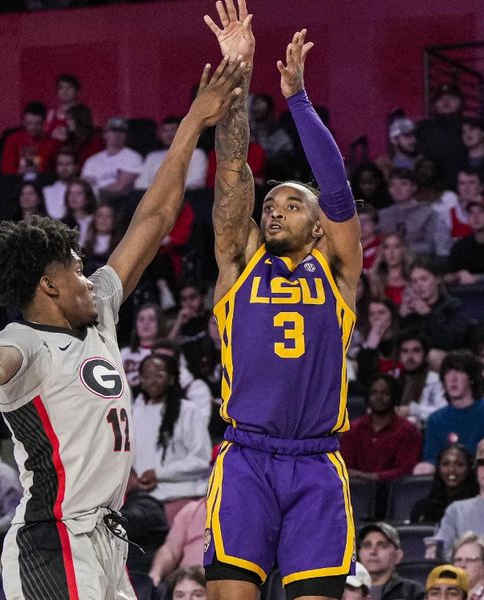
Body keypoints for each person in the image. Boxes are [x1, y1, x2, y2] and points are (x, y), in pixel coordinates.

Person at [0, 57, 247, 599]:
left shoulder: (99, 311)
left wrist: (195, 120)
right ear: (49, 285)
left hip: (106, 537)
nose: (89, 277)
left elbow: (152, 220)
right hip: (53, 536)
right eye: (78, 269)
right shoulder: (24, 341)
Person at [202, 9, 362, 595]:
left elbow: (338, 189)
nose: (274, 209)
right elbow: (232, 173)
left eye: (293, 204)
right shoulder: (240, 262)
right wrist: (238, 69)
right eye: (271, 203)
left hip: (317, 463)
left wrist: (296, 100)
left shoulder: (338, 270)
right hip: (245, 457)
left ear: (319, 227)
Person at [132, 354, 212, 522]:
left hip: (181, 498)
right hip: (143, 499)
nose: (152, 381)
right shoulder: (135, 413)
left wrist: (159, 474)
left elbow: (201, 460)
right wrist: (134, 480)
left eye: (159, 375)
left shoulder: (188, 411)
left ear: (171, 379)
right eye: (147, 375)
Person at [415, 351, 484, 474]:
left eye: (460, 372)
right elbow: (432, 459)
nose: (453, 379)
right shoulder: (435, 419)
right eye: (448, 373)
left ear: (471, 379)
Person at [340, 374, 422, 482]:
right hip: (356, 490)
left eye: (385, 393)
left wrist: (374, 477)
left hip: (393, 491)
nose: (379, 397)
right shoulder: (352, 429)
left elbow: (406, 470)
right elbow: (345, 466)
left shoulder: (408, 430)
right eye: (374, 392)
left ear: (394, 397)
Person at [378, 169, 444, 256]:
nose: (397, 189)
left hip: (419, 262)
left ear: (414, 187)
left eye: (403, 184)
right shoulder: (383, 214)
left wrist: (402, 250)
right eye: (392, 185)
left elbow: (431, 246)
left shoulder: (428, 213)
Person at [411, 443, 478, 524]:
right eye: (445, 464)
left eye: (459, 465)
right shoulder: (422, 508)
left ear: (469, 469)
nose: (451, 470)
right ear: (438, 468)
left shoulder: (479, 507)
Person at [136, 116, 208, 190]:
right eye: (165, 131)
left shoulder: (196, 154)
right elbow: (141, 183)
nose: (169, 134)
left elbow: (196, 181)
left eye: (173, 130)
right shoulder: (152, 157)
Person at [81, 116, 143, 200]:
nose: (117, 135)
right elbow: (83, 186)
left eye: (121, 131)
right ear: (105, 134)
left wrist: (94, 192)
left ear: (126, 135)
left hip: (118, 202)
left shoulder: (133, 157)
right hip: (92, 203)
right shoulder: (92, 160)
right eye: (113, 131)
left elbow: (120, 187)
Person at [148, 496, 206, 586]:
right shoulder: (191, 510)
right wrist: (155, 574)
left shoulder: (235, 516)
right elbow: (170, 550)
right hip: (189, 582)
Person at [357, 523, 424, 600]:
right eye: (367, 545)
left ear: (398, 556)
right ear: (359, 554)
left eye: (382, 546)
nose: (373, 551)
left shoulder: (413, 591)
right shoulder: (344, 588)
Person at [395, 332, 447, 428]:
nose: (410, 356)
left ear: (425, 354)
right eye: (405, 351)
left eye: (416, 351)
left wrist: (412, 410)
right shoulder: (394, 381)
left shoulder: (435, 380)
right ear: (399, 355)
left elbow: (444, 412)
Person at [1, 101, 60, 176]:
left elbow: (53, 169)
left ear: (44, 123)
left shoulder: (52, 142)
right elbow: (6, 169)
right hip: (16, 180)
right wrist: (19, 171)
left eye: (37, 124)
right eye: (29, 123)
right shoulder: (13, 139)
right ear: (23, 122)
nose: (32, 127)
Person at [42, 150, 79, 220]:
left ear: (76, 166)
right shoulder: (47, 191)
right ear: (56, 167)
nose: (64, 168)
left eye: (68, 164)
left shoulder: (86, 188)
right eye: (60, 164)